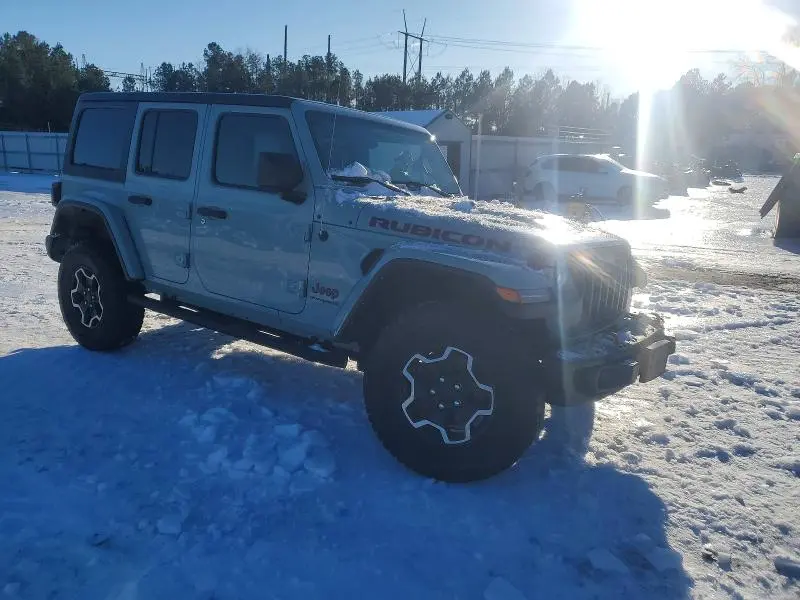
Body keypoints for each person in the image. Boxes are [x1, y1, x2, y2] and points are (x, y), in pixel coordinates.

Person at [760, 153, 800, 239]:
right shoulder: (790, 175)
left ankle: (784, 233)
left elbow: (777, 191)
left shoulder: (789, 174)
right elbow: (777, 190)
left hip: (787, 210)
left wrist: (764, 210)